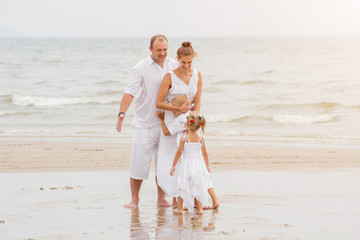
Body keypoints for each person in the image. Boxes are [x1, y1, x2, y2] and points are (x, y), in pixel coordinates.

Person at [116, 34, 179, 208]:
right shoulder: (140, 68)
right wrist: (122, 113)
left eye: (165, 49)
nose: (162, 53)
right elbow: (129, 93)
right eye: (159, 50)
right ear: (150, 49)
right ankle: (134, 199)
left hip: (165, 123)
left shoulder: (173, 65)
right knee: (139, 164)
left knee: (164, 164)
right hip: (144, 124)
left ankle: (161, 198)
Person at [156, 42, 201, 206]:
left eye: (190, 63)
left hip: (189, 124)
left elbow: (198, 103)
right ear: (178, 60)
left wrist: (192, 123)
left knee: (191, 161)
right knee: (173, 161)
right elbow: (159, 103)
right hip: (172, 120)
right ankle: (176, 198)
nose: (187, 66)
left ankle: (195, 197)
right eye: (183, 63)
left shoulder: (197, 75)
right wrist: (178, 109)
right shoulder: (169, 77)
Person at [158, 95, 220, 210]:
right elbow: (205, 152)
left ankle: (188, 204)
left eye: (175, 108)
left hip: (187, 156)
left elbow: (167, 132)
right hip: (197, 155)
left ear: (183, 107)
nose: (173, 111)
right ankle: (212, 200)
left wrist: (162, 119)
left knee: (187, 178)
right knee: (202, 178)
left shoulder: (181, 119)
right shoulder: (191, 117)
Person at [170, 114, 211, 215]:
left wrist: (174, 165)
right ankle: (200, 209)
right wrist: (207, 165)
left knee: (182, 184)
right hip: (197, 165)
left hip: (186, 165)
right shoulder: (201, 139)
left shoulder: (184, 138)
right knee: (198, 185)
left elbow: (179, 153)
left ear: (187, 125)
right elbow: (205, 154)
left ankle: (180, 208)